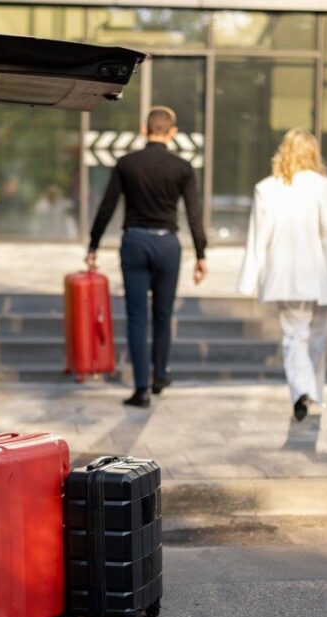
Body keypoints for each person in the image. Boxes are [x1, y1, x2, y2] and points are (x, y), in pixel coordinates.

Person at [86, 106, 208, 408]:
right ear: (172, 133)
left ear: (144, 129)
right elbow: (194, 215)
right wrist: (201, 254)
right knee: (163, 314)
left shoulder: (127, 164)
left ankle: (141, 389)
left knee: (137, 317)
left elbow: (107, 207)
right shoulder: (182, 167)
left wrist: (93, 245)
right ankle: (160, 376)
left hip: (135, 242)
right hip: (168, 245)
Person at [238, 129, 327, 422]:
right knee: (316, 336)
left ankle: (302, 391)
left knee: (294, 336)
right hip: (320, 276)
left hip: (284, 276)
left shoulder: (267, 188)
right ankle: (309, 390)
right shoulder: (326, 188)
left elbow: (258, 237)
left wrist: (249, 278)